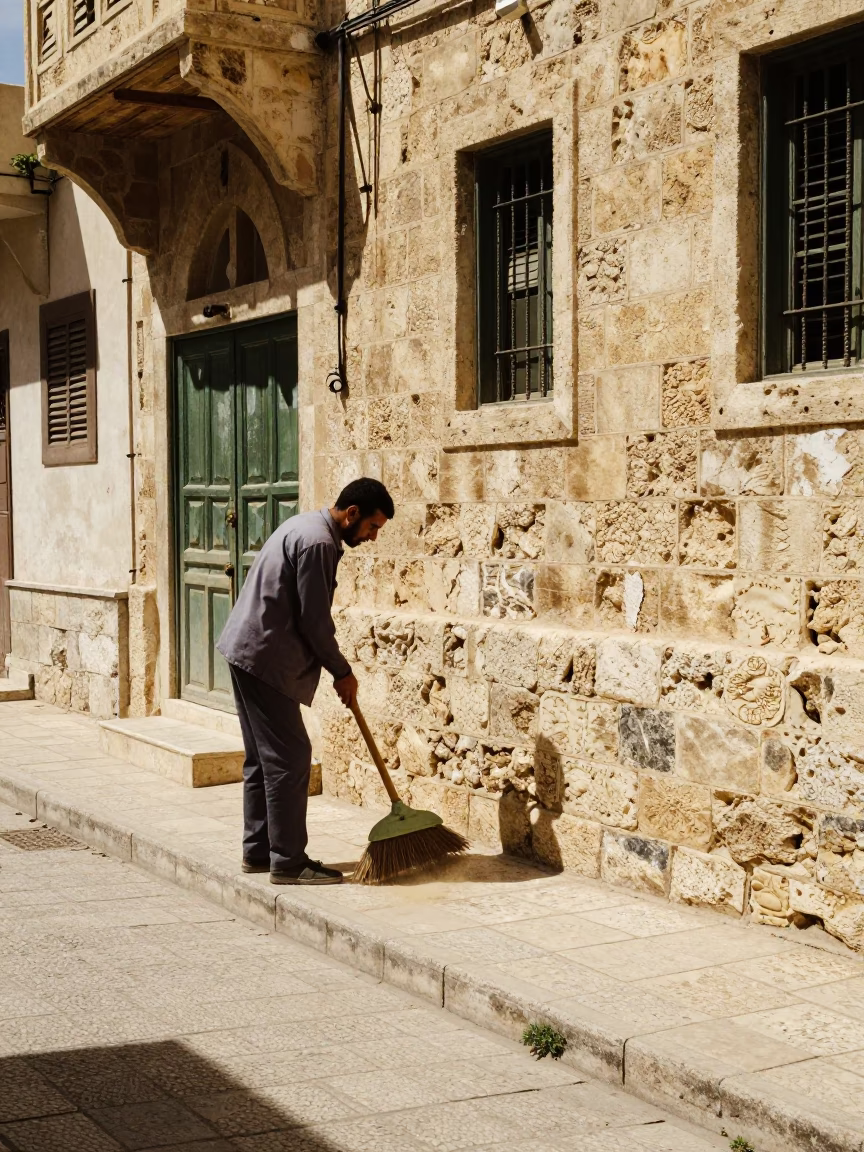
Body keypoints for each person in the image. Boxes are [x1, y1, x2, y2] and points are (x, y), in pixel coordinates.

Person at [216, 477, 394, 884]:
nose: (372, 537)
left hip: (246, 649)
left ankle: (259, 851)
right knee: (290, 756)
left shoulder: (305, 526)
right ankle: (289, 861)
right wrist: (342, 672)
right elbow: (314, 622)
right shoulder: (319, 544)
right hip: (263, 657)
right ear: (352, 514)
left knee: (262, 758)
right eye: (372, 527)